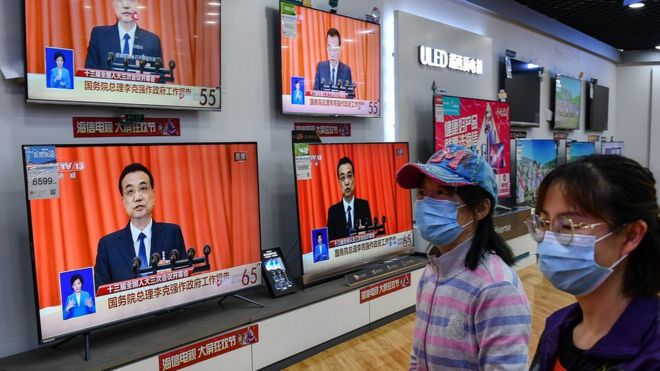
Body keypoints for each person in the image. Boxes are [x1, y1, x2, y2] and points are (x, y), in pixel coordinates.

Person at [397, 144, 531, 370]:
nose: (426, 204)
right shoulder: (431, 272)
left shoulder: (497, 288)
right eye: (422, 193)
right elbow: (418, 353)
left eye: (441, 193)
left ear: (480, 209)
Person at [528, 155, 660, 370]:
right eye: (544, 223)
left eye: (569, 225)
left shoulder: (652, 353)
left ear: (631, 235)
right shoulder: (558, 326)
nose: (549, 239)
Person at [94, 163, 186, 288]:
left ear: (153, 195)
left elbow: (186, 281)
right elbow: (101, 295)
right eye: (130, 191)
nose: (137, 197)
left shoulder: (172, 233)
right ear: (123, 201)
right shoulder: (108, 246)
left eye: (143, 188)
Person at [85, 0, 163, 70]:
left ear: (138, 4)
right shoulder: (99, 35)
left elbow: (159, 81)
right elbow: (89, 74)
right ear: (113, 4)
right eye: (120, 0)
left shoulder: (152, 41)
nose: (126, 5)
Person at [327, 157, 371, 241]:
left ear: (354, 178)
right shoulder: (333, 212)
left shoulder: (364, 206)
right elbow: (331, 244)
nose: (347, 182)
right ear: (339, 182)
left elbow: (370, 237)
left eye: (349, 176)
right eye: (343, 178)